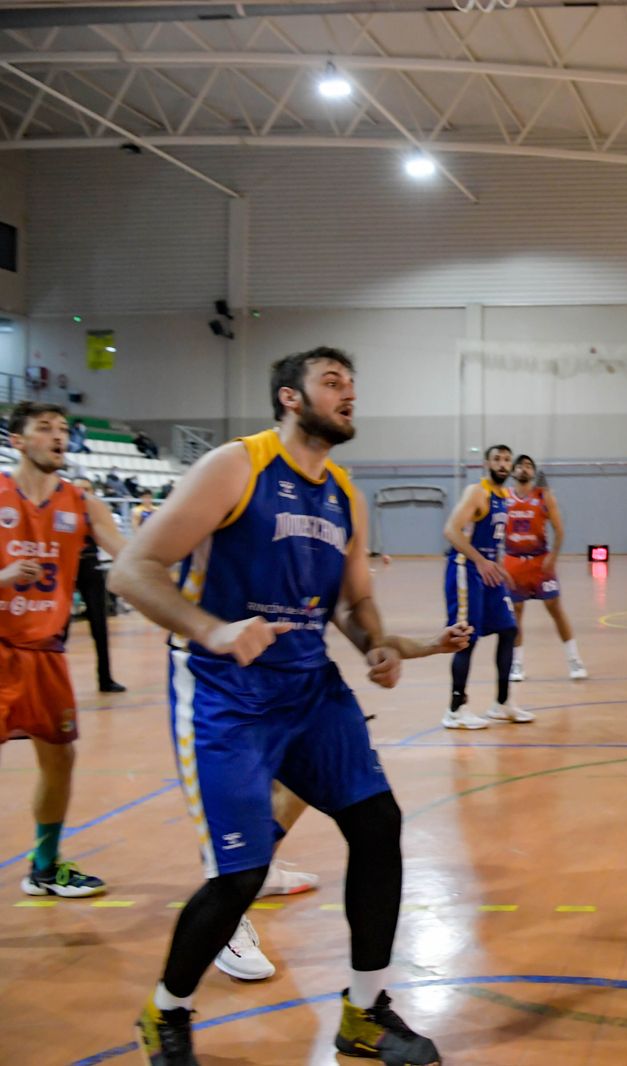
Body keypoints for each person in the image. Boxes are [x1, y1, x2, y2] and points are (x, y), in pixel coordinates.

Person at [109, 346, 465, 1065]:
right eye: (332, 382)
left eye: (353, 383)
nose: (349, 393)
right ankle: (165, 1012)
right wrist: (212, 629)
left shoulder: (344, 493)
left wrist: (377, 645)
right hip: (226, 694)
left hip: (309, 689)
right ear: (290, 397)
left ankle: (364, 1012)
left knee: (377, 826)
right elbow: (132, 570)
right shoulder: (236, 467)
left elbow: (353, 601)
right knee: (241, 874)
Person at [1, 403, 127, 899]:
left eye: (62, 429)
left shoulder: (82, 502)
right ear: (17, 441)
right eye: (44, 428)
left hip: (45, 652)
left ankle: (44, 867)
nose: (58, 436)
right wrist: (5, 577)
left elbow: (133, 557)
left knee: (60, 760)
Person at [441, 446, 527, 727]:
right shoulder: (477, 492)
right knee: (466, 636)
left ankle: (501, 703)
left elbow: (491, 539)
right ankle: (455, 709)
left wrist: (499, 567)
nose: (502, 464)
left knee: (509, 629)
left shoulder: (504, 497)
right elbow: (451, 530)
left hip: (487, 570)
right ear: (486, 464)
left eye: (507, 460)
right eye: (497, 459)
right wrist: (480, 561)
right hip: (465, 568)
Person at [503, 454, 587, 682]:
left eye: (528, 466)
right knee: (515, 612)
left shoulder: (544, 496)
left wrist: (554, 557)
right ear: (513, 471)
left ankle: (574, 659)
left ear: (533, 472)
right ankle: (517, 664)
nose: (524, 469)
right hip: (513, 560)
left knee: (554, 608)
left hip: (540, 560)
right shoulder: (504, 497)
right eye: (520, 465)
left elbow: (559, 530)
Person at [70, 477, 126, 694]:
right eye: (79, 489)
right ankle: (53, 679)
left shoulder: (97, 512)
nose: (83, 493)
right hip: (67, 567)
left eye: (87, 489)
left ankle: (105, 678)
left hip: (91, 565)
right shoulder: (62, 510)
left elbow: (112, 541)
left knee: (100, 624)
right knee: (59, 628)